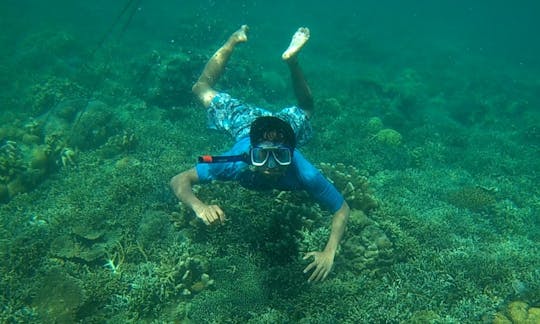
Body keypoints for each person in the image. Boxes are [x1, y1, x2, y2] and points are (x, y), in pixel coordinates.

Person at [170, 25, 350, 282]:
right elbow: (179, 180)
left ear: (292, 151)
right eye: (262, 156)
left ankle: (292, 59)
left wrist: (329, 251)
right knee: (199, 89)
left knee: (307, 108)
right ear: (250, 153)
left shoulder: (304, 172)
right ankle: (233, 41)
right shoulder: (235, 162)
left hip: (283, 125)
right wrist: (199, 206)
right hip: (246, 125)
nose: (271, 166)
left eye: (281, 157)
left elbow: (342, 209)